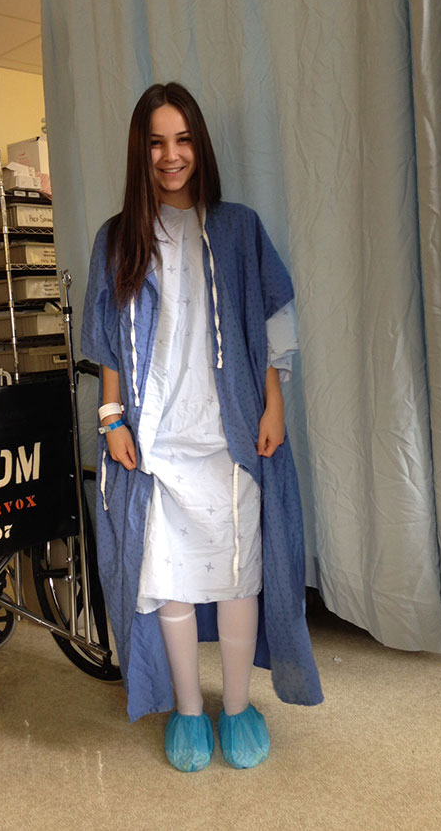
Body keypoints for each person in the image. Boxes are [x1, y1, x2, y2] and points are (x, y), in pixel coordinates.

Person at [82, 82, 322, 772]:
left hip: (231, 439)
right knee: (174, 581)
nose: (170, 154)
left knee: (240, 576)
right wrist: (111, 417)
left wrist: (273, 404)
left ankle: (239, 704)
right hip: (157, 445)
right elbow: (107, 342)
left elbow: (273, 320)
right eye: (156, 141)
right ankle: (189, 710)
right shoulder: (117, 237)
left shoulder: (239, 228)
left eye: (182, 138)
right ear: (141, 150)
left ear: (199, 144)